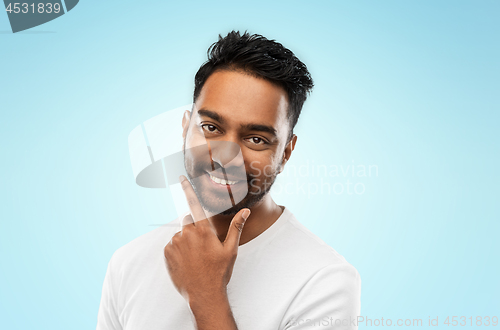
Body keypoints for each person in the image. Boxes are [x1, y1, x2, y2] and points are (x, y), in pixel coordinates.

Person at [96, 31, 361, 330]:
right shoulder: (127, 263)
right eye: (210, 127)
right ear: (185, 129)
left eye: (256, 139)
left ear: (286, 153)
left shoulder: (325, 280)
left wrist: (206, 294)